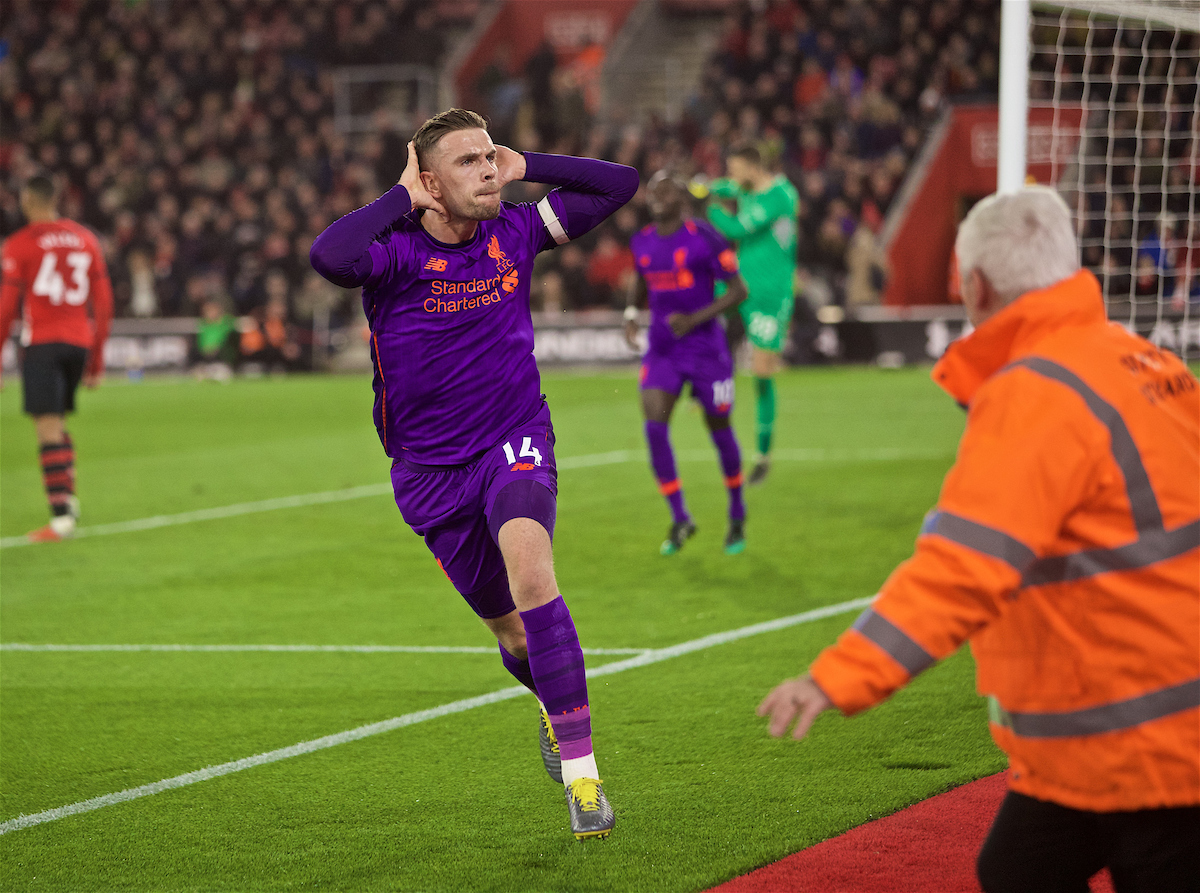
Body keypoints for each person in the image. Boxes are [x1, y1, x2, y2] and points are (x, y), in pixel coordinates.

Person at [757, 187, 1199, 893]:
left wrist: (836, 676)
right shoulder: (1145, 360)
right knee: (1017, 869)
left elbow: (962, 569)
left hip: (1141, 744)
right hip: (1121, 732)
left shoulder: (1036, 393)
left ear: (976, 284)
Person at [310, 108, 637, 840]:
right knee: (514, 633)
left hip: (513, 437)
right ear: (429, 182)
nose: (487, 169)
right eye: (468, 162)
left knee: (532, 574)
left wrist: (530, 164)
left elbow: (621, 184)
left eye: (489, 156)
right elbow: (328, 257)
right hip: (428, 472)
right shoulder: (391, 251)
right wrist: (399, 197)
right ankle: (553, 707)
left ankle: (585, 781)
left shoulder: (514, 229)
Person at [624, 171, 749, 556]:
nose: (657, 195)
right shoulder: (642, 240)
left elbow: (739, 290)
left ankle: (737, 511)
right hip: (663, 348)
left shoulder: (704, 237)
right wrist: (631, 313)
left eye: (667, 189)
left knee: (719, 428)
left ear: (682, 198)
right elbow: (641, 278)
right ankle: (681, 518)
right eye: (654, 189)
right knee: (654, 428)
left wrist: (696, 319)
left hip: (705, 349)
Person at [0, 175, 113, 543]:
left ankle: (60, 518)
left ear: (28, 201)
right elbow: (104, 302)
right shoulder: (86, 238)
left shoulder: (19, 245)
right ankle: (70, 499)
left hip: (44, 343)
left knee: (47, 431)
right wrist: (97, 359)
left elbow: (5, 309)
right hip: (78, 342)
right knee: (59, 424)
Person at [703, 143, 799, 485]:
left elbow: (736, 229)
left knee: (761, 373)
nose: (731, 175)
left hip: (771, 295)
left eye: (735, 168)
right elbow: (722, 187)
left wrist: (710, 207)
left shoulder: (780, 197)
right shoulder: (746, 188)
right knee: (697, 307)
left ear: (751, 167)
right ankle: (698, 385)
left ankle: (762, 455)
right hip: (741, 286)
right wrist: (702, 186)